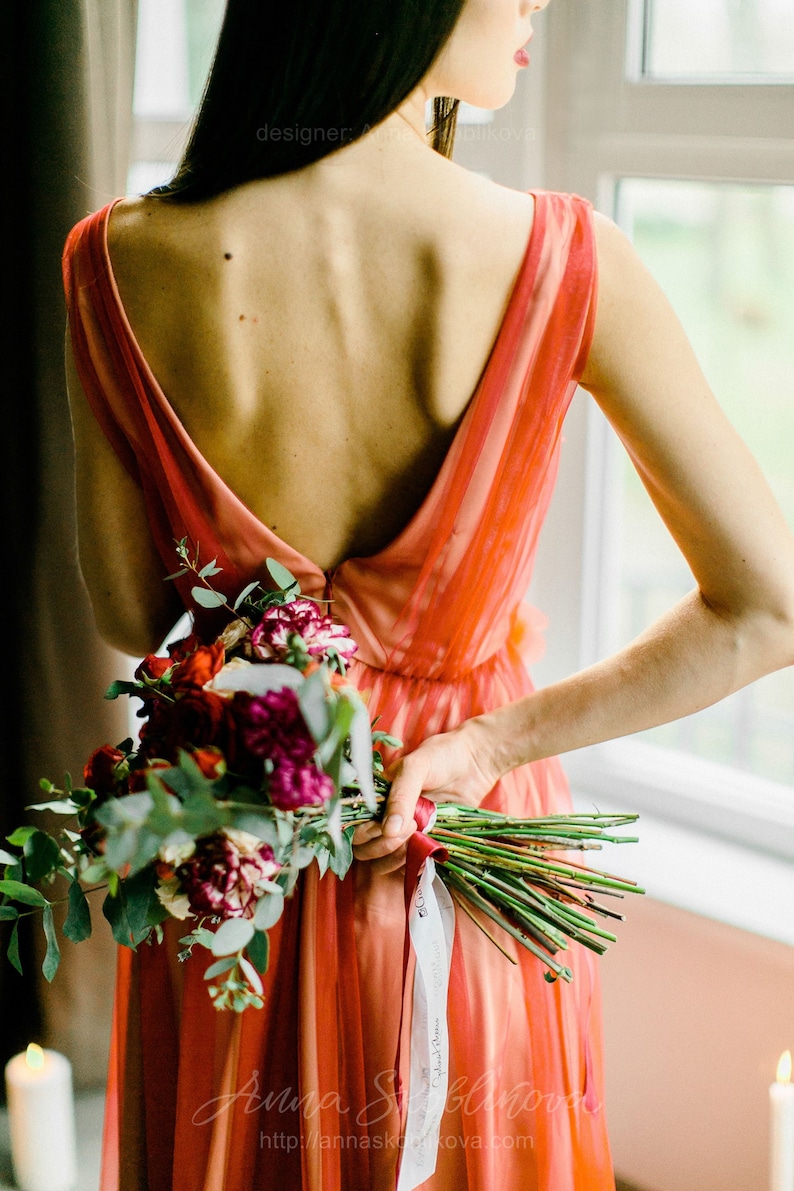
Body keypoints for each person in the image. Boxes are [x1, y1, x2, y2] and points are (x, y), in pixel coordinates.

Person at [61, 1, 794, 1188]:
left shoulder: (114, 261)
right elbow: (768, 606)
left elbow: (133, 614)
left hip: (238, 846)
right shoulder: (565, 259)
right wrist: (491, 739)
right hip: (463, 837)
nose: (534, 5)